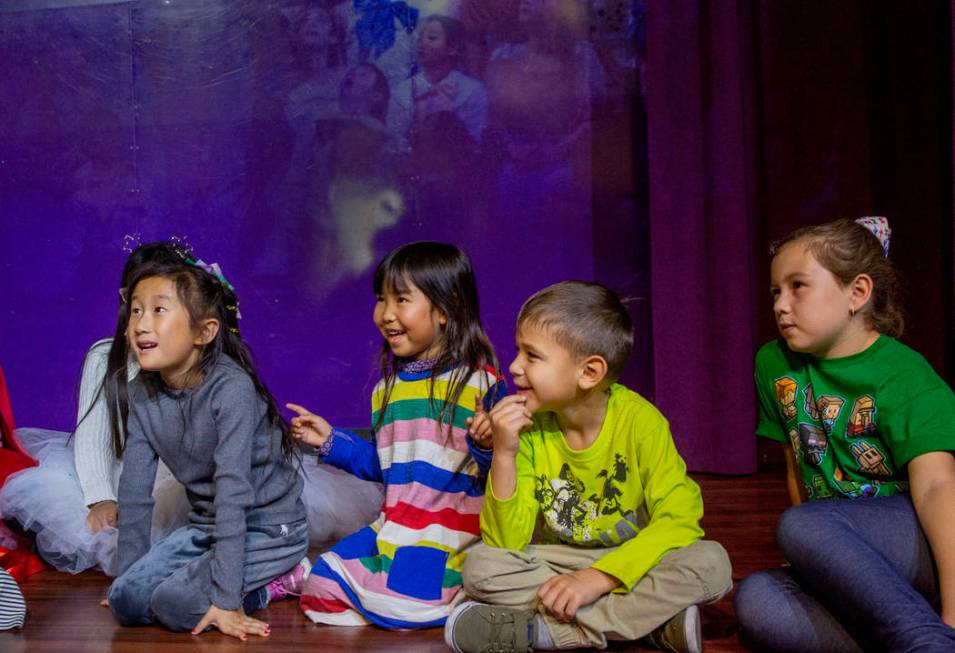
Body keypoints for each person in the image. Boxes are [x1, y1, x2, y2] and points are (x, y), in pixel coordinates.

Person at [445, 281, 732, 653]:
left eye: (531, 356)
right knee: (482, 566)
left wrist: (601, 577)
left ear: (589, 372)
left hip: (632, 562)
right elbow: (506, 542)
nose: (514, 367)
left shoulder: (642, 424)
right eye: (518, 351)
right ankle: (653, 625)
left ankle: (556, 634)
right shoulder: (530, 428)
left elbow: (679, 520)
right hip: (559, 564)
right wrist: (503, 452)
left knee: (712, 562)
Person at [734, 217, 955, 651]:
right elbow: (798, 466)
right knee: (758, 600)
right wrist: (814, 558)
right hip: (840, 545)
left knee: (802, 524)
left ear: (857, 293)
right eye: (776, 291)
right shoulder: (774, 364)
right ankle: (908, 633)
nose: (780, 304)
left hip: (916, 545)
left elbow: (937, 488)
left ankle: (931, 640)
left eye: (798, 286)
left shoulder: (906, 376)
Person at [289, 241, 504, 629]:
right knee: (320, 587)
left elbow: (508, 475)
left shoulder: (481, 385)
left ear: (446, 308)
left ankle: (448, 606)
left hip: (448, 535)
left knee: (405, 606)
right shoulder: (385, 391)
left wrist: (488, 445)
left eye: (401, 300)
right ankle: (399, 603)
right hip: (393, 527)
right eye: (381, 300)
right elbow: (389, 467)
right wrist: (331, 441)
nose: (386, 315)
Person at [106, 254, 308, 640]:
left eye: (158, 310)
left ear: (205, 331)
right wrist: (127, 580)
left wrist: (227, 599)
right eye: (135, 311)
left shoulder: (231, 389)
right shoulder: (142, 394)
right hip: (207, 525)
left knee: (176, 605)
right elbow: (134, 492)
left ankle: (281, 579)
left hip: (266, 527)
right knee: (127, 603)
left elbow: (234, 493)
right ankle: (190, 584)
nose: (140, 324)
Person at [0, 243, 190, 576]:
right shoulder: (106, 357)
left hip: (181, 477)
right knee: (108, 532)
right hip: (122, 472)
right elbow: (93, 437)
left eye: (161, 307)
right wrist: (101, 496)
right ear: (124, 299)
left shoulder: (196, 360)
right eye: (137, 306)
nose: (147, 320)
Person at [389, 15, 488, 144]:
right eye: (419, 39)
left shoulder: (473, 91)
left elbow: (475, 143)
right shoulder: (403, 89)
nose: (421, 44)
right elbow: (392, 140)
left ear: (453, 48)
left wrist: (448, 115)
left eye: (432, 38)